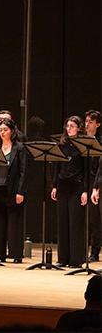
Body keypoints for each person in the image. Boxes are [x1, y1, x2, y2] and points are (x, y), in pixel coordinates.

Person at [0, 119, 28, 263]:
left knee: (14, 223)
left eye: (5, 130)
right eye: (1, 130)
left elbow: (24, 171)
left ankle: (16, 254)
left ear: (12, 131)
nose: (2, 132)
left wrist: (20, 191)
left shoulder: (19, 148)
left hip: (13, 189)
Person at [51, 116, 88, 268]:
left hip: (77, 187)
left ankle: (76, 259)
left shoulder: (84, 146)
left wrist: (85, 190)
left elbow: (86, 170)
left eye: (72, 126)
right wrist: (54, 185)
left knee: (75, 224)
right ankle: (63, 258)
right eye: (67, 126)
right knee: (62, 223)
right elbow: (57, 168)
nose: (69, 129)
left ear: (79, 128)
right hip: (62, 187)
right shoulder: (62, 145)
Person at [85, 110, 102, 262]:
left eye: (90, 122)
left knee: (96, 220)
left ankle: (95, 251)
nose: (87, 124)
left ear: (97, 125)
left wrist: (95, 187)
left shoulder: (100, 142)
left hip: (96, 182)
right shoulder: (80, 141)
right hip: (83, 183)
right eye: (86, 121)